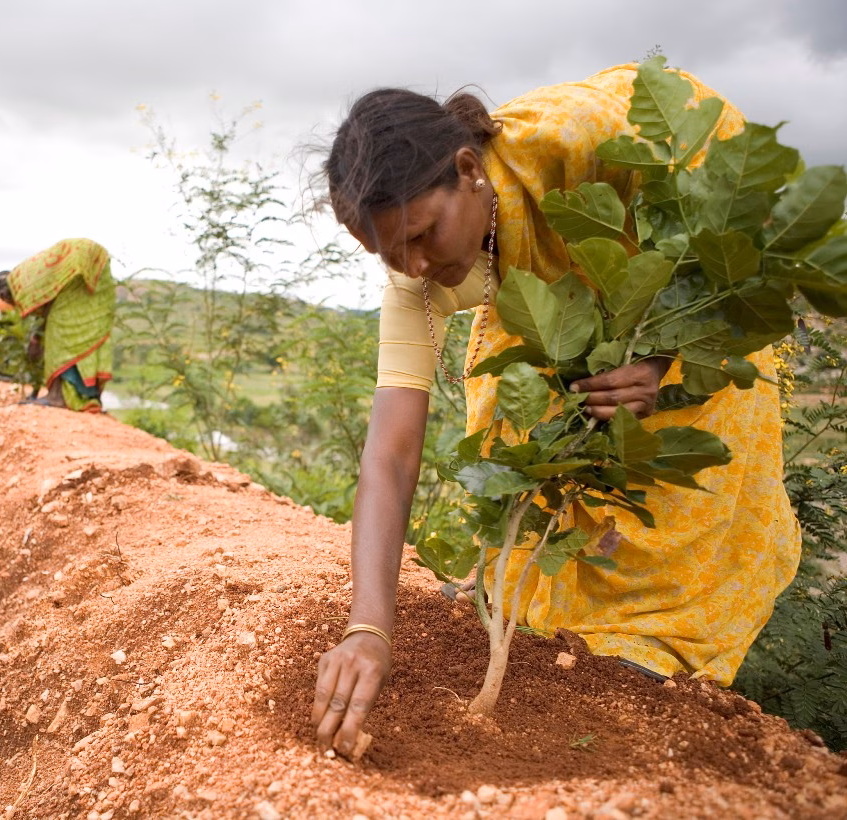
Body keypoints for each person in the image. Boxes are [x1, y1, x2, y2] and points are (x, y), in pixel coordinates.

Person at [310, 63, 800, 757]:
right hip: (562, 340)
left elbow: (732, 213)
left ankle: (652, 658)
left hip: (688, 333)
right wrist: (368, 629)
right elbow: (390, 454)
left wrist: (658, 359)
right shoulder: (414, 277)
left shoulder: (579, 139)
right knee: (535, 475)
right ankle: (542, 627)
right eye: (391, 254)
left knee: (663, 525)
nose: (413, 266)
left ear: (468, 170)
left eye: (423, 235)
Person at [0, 238, 115, 412]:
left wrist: (35, 340)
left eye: (7, 300)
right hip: (96, 268)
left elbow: (46, 310)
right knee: (79, 336)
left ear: (4, 294)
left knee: (57, 337)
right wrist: (36, 338)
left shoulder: (21, 287)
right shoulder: (24, 275)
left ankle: (57, 396)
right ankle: (86, 396)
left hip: (85, 265)